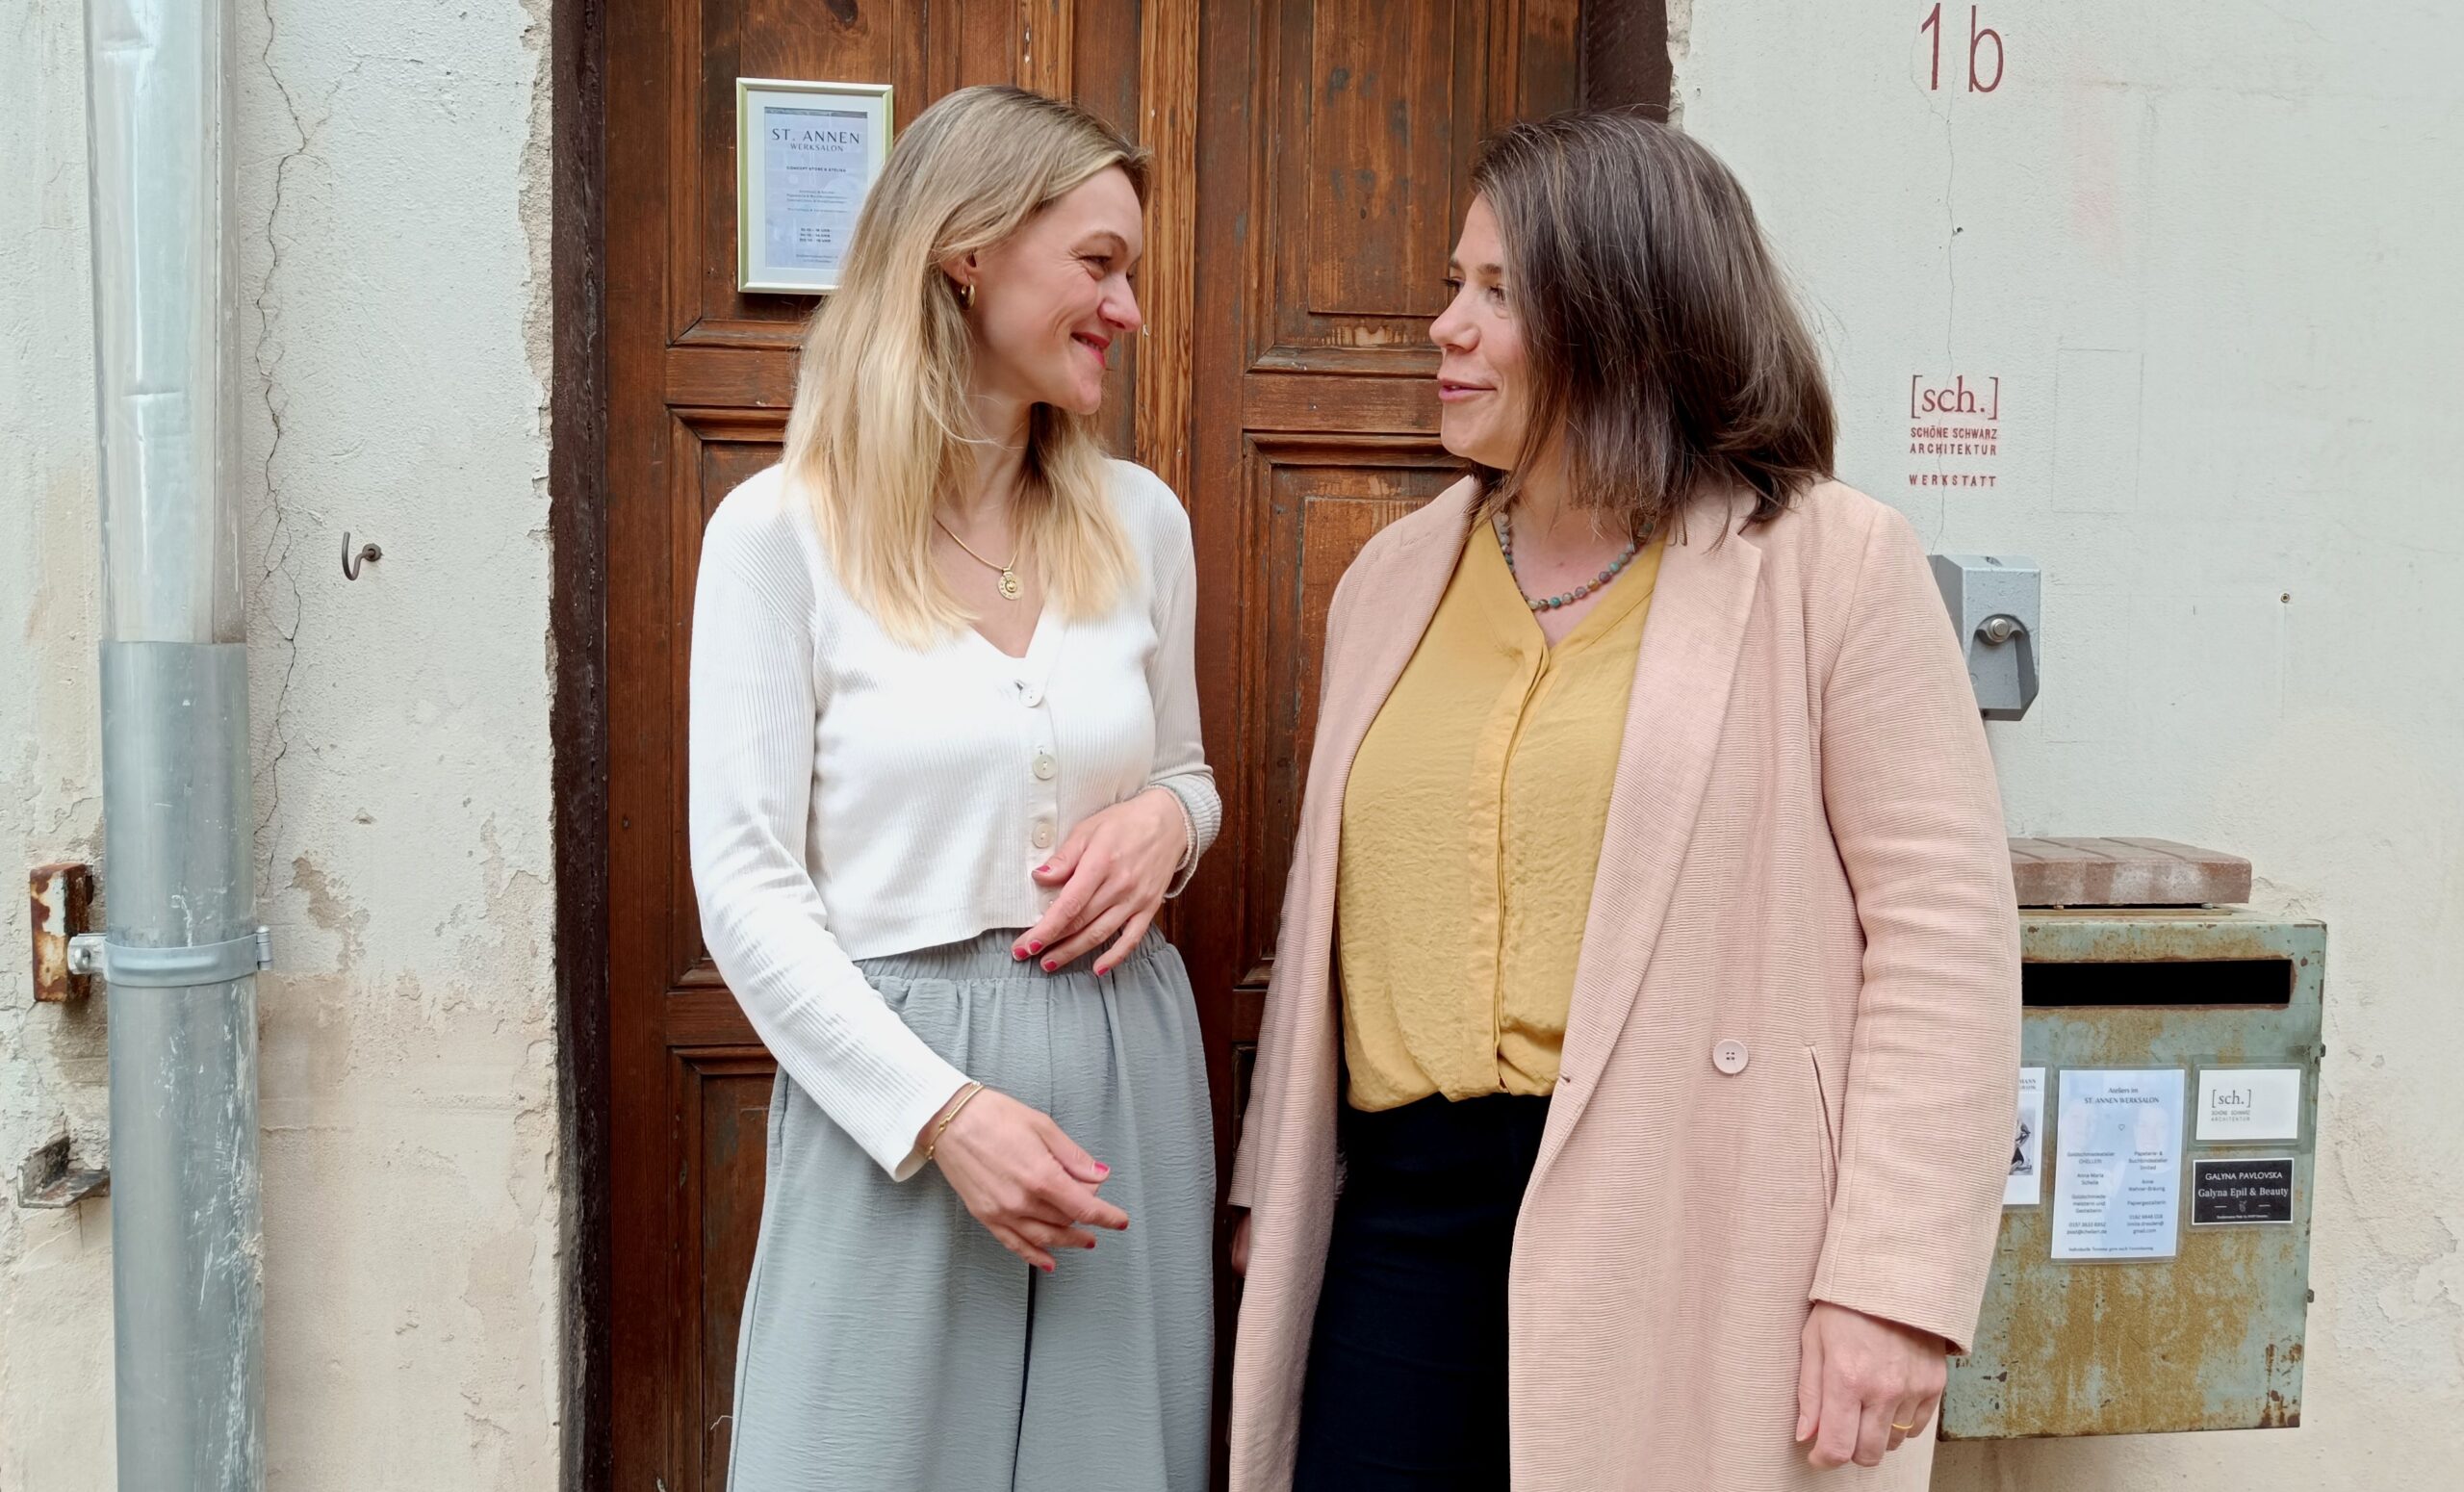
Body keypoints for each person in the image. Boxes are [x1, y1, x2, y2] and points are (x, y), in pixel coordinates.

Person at [1225, 112, 2021, 1491]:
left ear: (1623, 317)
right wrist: (1269, 1186)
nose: (1443, 327)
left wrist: (1891, 1281)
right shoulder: (1390, 580)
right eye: (1449, 284)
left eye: (1494, 293)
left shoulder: (1830, 566)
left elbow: (1946, 939)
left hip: (1691, 1215)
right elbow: (1336, 924)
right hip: (1400, 1227)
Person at [689, 85, 1219, 1492]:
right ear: (967, 249)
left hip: (1124, 1066)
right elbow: (745, 886)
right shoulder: (777, 537)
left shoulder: (1143, 522)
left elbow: (1187, 772)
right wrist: (938, 1112)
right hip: (896, 1086)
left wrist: (1171, 826)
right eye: (1098, 263)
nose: (1129, 307)